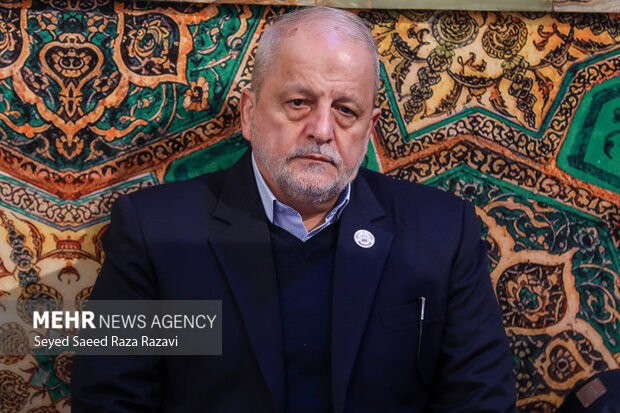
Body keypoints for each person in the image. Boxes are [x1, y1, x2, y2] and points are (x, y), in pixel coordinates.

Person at [71, 6, 517, 412]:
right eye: (299, 102)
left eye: (346, 110)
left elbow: (481, 402)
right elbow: (109, 401)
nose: (322, 130)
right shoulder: (157, 234)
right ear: (249, 113)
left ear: (369, 129)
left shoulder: (442, 234)